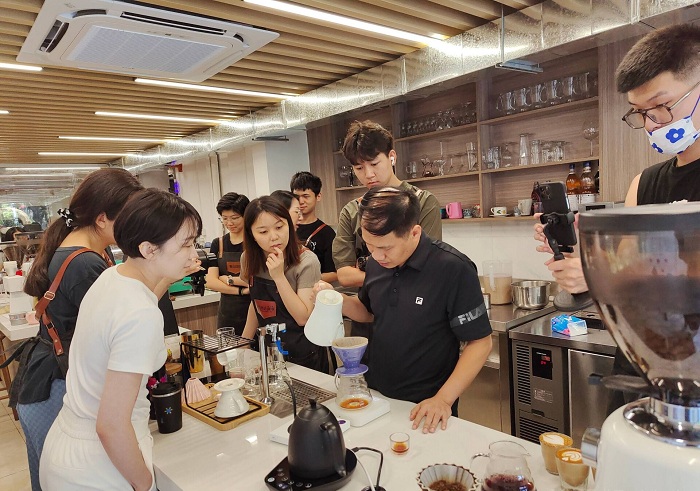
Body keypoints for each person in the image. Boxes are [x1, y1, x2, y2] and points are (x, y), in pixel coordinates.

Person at [534, 24, 700, 412]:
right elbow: (625, 280)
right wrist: (586, 265)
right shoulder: (644, 184)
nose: (651, 124)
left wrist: (604, 274)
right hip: (641, 373)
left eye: (661, 106)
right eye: (640, 113)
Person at [39, 189, 202, 491]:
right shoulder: (140, 313)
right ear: (149, 249)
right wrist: (144, 483)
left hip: (67, 447)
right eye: (186, 244)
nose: (195, 255)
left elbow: (135, 311)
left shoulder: (113, 277)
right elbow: (111, 426)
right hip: (100, 466)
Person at [317, 187, 492, 433]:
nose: (377, 256)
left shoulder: (453, 268)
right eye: (370, 246)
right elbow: (369, 312)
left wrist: (443, 400)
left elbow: (480, 343)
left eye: (386, 247)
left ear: (414, 232)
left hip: (425, 407)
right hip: (375, 397)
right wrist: (338, 300)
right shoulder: (376, 264)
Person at [10, 169, 143, 491]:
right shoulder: (84, 263)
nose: (134, 226)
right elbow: (115, 328)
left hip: (47, 378)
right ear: (102, 218)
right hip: (54, 386)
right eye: (129, 217)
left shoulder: (88, 251)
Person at [240, 196, 328, 373]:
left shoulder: (307, 261)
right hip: (269, 350)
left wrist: (279, 277)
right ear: (251, 235)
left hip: (304, 353)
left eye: (279, 227)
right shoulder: (248, 259)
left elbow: (303, 317)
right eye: (263, 232)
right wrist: (244, 342)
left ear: (290, 225)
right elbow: (257, 304)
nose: (274, 237)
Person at [205, 192, 251, 334]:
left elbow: (253, 281)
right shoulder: (218, 244)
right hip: (227, 314)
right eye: (224, 218)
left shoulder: (254, 243)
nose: (229, 223)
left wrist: (227, 279)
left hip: (252, 311)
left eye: (235, 218)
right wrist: (240, 291)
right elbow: (210, 282)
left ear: (246, 215)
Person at [290, 171, 338, 284]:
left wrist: (303, 279)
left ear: (318, 196)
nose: (301, 201)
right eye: (297, 197)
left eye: (306, 196)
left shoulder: (327, 233)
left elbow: (334, 273)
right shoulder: (286, 228)